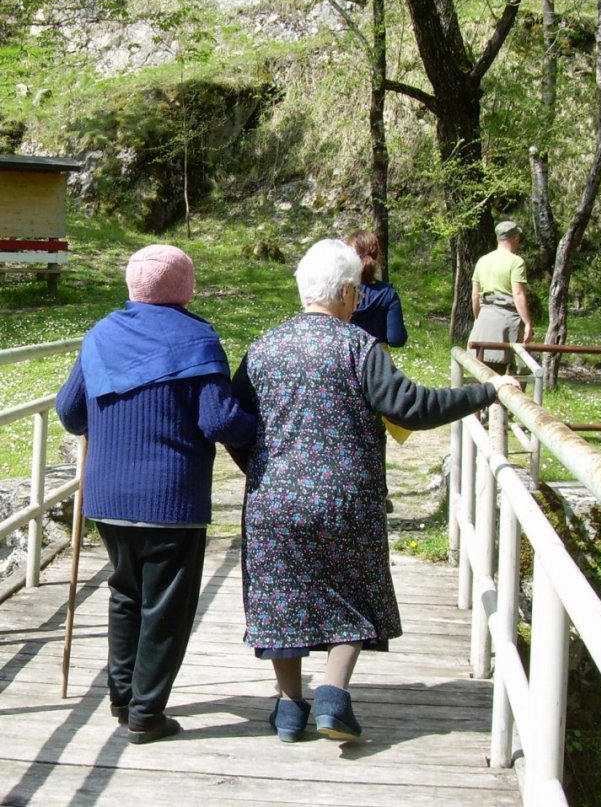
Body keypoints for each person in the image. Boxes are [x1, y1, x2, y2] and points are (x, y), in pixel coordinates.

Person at [229, 238, 519, 744]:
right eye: (357, 292)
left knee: (280, 596)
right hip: (348, 499)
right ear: (346, 293)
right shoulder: (358, 348)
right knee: (354, 590)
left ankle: (289, 709)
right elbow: (410, 406)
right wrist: (488, 390)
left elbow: (234, 423)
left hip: (274, 500)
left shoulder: (262, 349)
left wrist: (258, 468)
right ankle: (333, 698)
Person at [56, 244, 257, 745]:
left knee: (125, 593)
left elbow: (70, 411)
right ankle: (146, 714)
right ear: (185, 287)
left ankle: (122, 696)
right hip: (171, 499)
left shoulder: (101, 334)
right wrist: (263, 426)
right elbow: (218, 420)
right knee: (165, 607)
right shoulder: (197, 338)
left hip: (108, 497)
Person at [346, 229, 408, 512]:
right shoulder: (387, 294)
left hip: (341, 363)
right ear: (377, 256)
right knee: (375, 430)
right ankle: (377, 493)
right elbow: (397, 338)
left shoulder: (343, 292)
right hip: (375, 366)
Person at [468, 219, 533, 374]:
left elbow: (475, 295)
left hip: (484, 319)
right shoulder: (516, 262)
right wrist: (528, 323)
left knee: (481, 371)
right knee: (515, 369)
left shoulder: (482, 261)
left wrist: (478, 318)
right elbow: (518, 294)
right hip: (507, 321)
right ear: (515, 238)